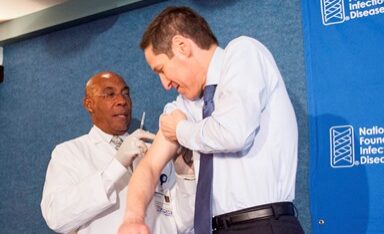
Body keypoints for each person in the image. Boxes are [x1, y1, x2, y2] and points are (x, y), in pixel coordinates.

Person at [119, 6, 304, 234]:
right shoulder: (183, 106)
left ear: (182, 46)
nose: (165, 84)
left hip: (263, 224)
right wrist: (133, 219)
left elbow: (234, 134)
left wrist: (181, 130)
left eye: (162, 70)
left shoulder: (243, 53)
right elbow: (149, 167)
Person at [40, 71, 196, 234]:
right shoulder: (69, 153)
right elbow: (56, 217)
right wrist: (117, 165)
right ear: (89, 104)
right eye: (110, 95)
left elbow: (183, 223)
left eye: (125, 94)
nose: (122, 101)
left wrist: (185, 176)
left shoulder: (154, 153)